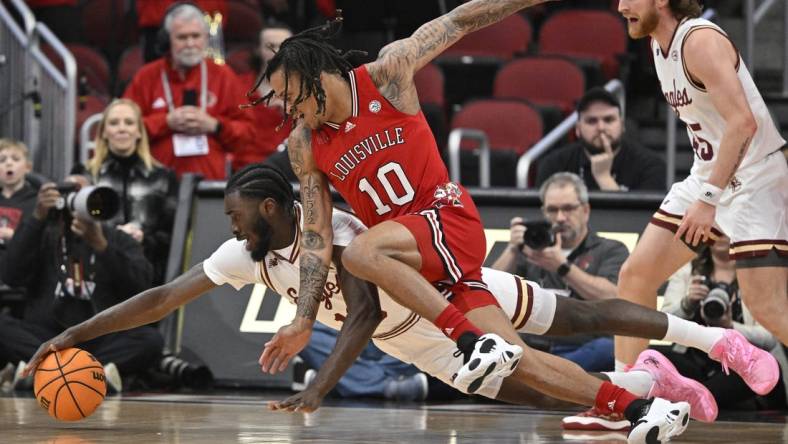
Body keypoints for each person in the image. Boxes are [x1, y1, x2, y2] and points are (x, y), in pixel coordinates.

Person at [250, 3, 715, 438]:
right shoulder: (304, 144)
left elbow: (461, 20)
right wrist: (304, 318)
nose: (287, 109)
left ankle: (471, 342)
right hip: (419, 260)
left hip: (443, 218)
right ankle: (642, 409)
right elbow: (315, 235)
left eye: (290, 96)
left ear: (315, 75)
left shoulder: (386, 74)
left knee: (362, 252)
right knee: (525, 365)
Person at [21, 165, 776, 430]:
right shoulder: (246, 252)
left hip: (442, 294)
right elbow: (157, 299)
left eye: (238, 214)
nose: (230, 225)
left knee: (575, 314)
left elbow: (366, 312)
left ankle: (714, 343)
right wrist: (72, 338)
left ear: (276, 209)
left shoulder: (336, 238)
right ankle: (649, 381)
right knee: (540, 396)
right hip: (419, 343)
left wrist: (316, 382)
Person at [614, 0, 787, 377]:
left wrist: (709, 199)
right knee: (635, 276)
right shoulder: (659, 46)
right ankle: (626, 393)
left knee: (768, 307)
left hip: (755, 178)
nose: (621, 6)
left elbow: (743, 123)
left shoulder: (700, 40)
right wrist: (708, 191)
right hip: (708, 175)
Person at [0, 176, 163, 393]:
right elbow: (11, 275)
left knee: (150, 340)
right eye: (70, 192)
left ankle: (43, 371)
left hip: (99, 335)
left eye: (89, 195)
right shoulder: (43, 232)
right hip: (46, 336)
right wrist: (37, 217)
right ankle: (93, 373)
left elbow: (141, 286)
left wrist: (102, 246)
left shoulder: (118, 238)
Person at [491, 172, 628, 371]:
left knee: (609, 349)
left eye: (568, 209)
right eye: (552, 210)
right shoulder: (530, 248)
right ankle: (549, 380)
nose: (561, 218)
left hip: (581, 347)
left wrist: (562, 267)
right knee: (486, 343)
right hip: (530, 348)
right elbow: (488, 292)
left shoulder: (610, 249)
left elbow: (613, 297)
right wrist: (512, 249)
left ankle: (537, 380)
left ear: (586, 210)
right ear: (543, 212)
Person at [124, 2, 256, 180]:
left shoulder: (223, 75)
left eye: (196, 36)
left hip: (209, 185)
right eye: (182, 37)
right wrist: (165, 122)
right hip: (157, 185)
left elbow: (248, 134)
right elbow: (124, 129)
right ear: (167, 40)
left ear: (206, 38)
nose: (190, 44)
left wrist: (215, 125)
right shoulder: (147, 76)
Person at [659, 235, 786, 411]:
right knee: (657, 358)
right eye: (715, 229)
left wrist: (730, 326)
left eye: (726, 228)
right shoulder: (687, 270)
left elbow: (772, 337)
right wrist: (687, 303)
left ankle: (695, 403)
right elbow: (662, 322)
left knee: (761, 368)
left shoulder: (758, 274)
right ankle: (701, 402)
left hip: (741, 363)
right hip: (695, 362)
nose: (720, 235)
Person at [84, 99, 178, 284]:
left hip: (148, 275)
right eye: (113, 123)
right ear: (103, 132)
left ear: (139, 132)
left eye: (129, 122)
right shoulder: (86, 175)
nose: (122, 128)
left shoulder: (163, 177)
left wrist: (144, 238)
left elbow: (173, 233)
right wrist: (110, 236)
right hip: (99, 275)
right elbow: (78, 228)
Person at [536, 88, 666, 191]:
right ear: (577, 129)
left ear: (622, 125)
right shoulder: (554, 165)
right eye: (591, 121)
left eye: (608, 120)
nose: (601, 127)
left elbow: (641, 220)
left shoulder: (650, 165)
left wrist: (603, 177)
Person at [232, 21, 295, 171]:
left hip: (292, 169)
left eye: (284, 46)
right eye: (271, 46)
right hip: (247, 169)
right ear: (258, 50)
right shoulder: (237, 86)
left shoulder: (308, 90)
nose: (277, 52)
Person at [0, 139, 37, 249]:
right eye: (2, 160)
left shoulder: (36, 201)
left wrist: (12, 235)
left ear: (28, 167)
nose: (9, 163)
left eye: (15, 159)